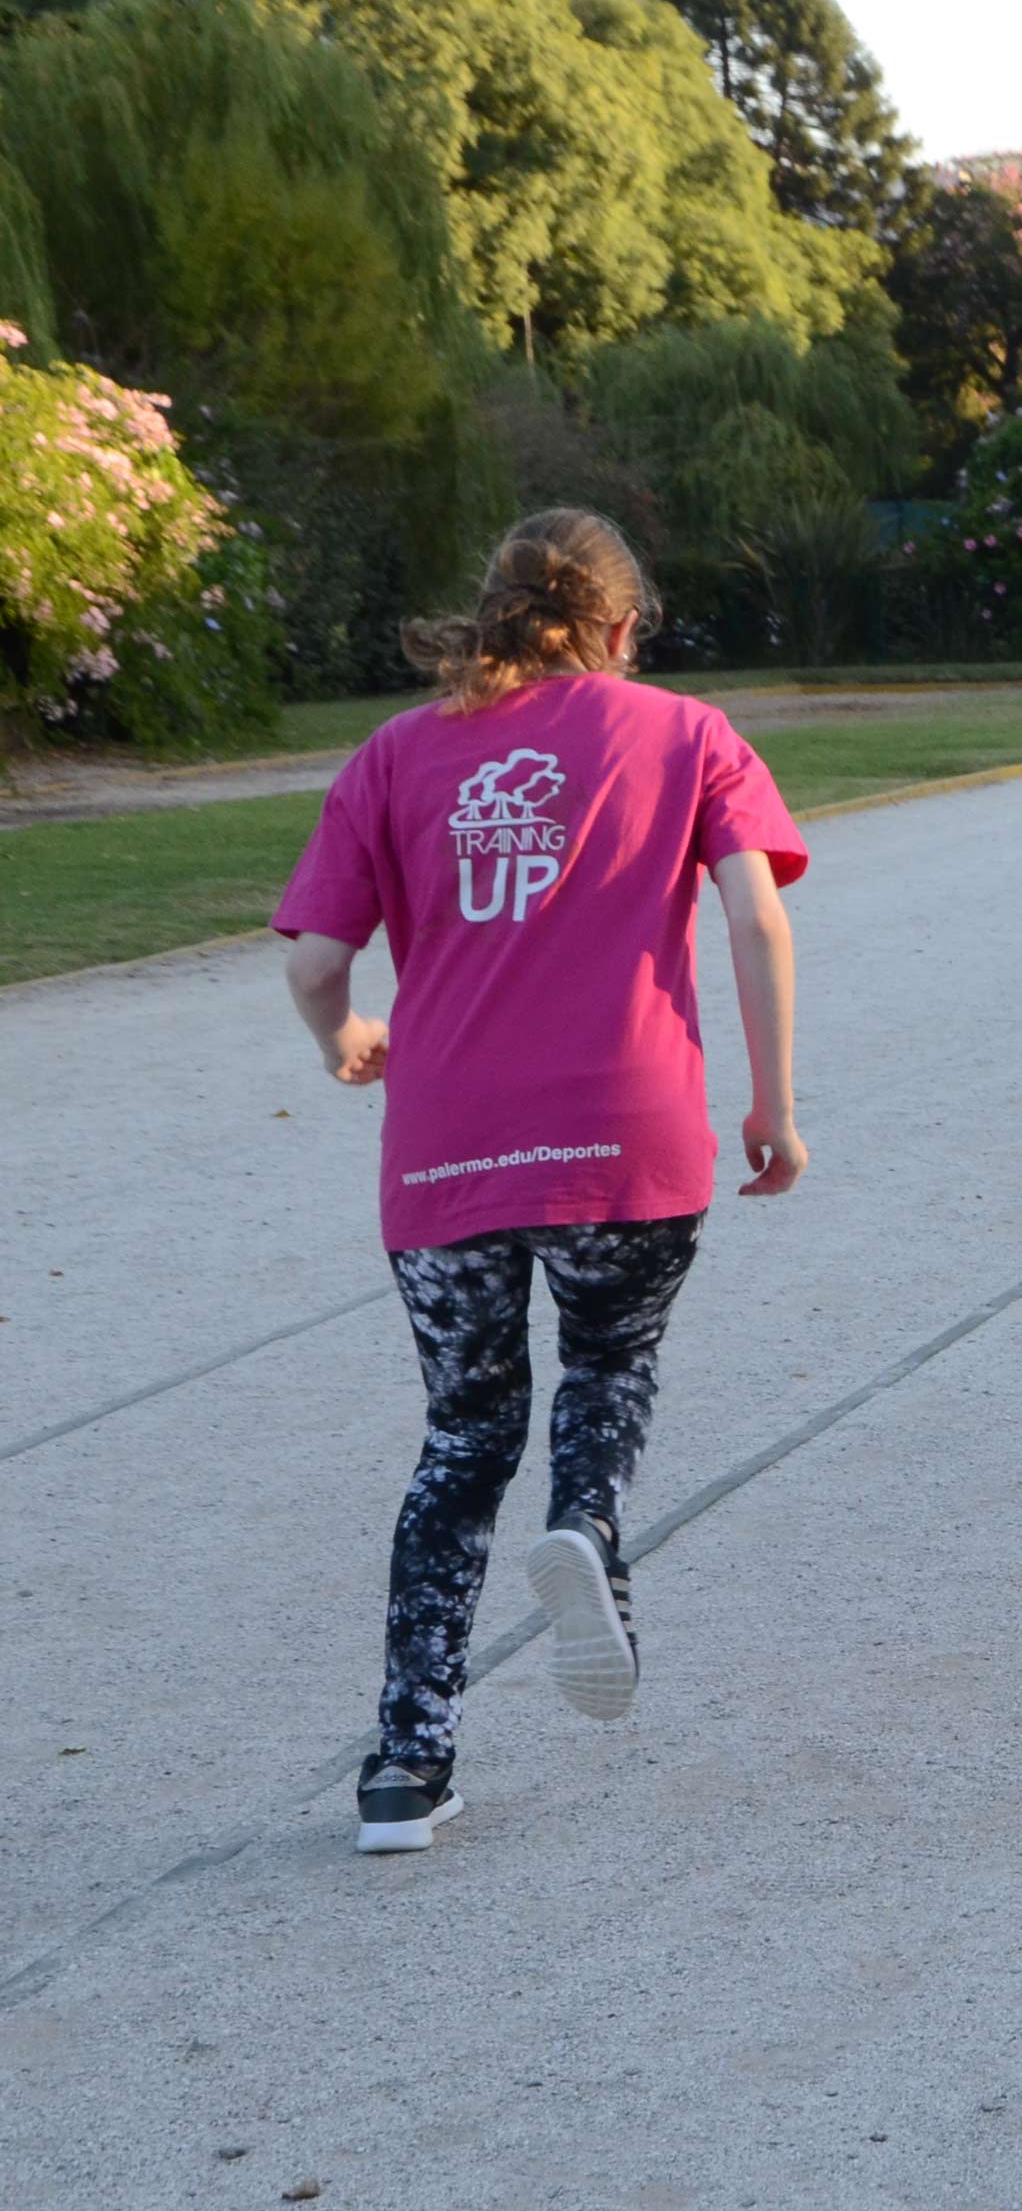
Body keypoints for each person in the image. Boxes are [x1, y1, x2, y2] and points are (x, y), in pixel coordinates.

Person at [273, 511, 811, 1855]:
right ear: (624, 626)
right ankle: (587, 1526)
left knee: (461, 1439)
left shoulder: (396, 755)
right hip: (625, 1134)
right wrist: (772, 1109)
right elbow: (756, 914)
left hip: (449, 1144)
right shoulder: (686, 733)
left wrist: (345, 1039)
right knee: (609, 1360)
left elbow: (312, 964)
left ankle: (405, 1765)